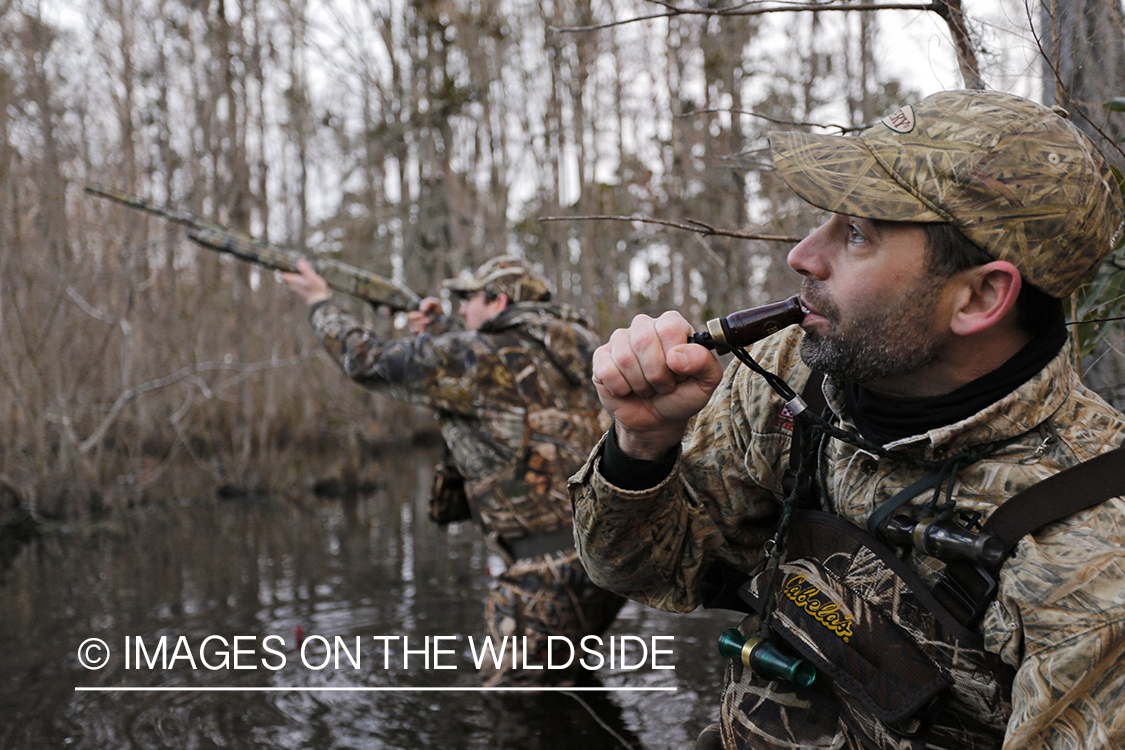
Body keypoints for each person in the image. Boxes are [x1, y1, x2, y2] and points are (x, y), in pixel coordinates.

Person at [570, 89, 1125, 749]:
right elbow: (636, 570)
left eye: (856, 232)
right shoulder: (787, 376)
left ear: (979, 296)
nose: (801, 255)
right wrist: (640, 446)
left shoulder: (1092, 550)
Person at [282, 255, 624, 685]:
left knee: (516, 710)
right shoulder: (580, 349)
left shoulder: (479, 356)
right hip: (609, 559)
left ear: (498, 301)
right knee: (567, 689)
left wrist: (319, 302)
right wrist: (442, 331)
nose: (459, 308)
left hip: (544, 574)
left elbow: (368, 360)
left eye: (467, 298)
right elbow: (507, 382)